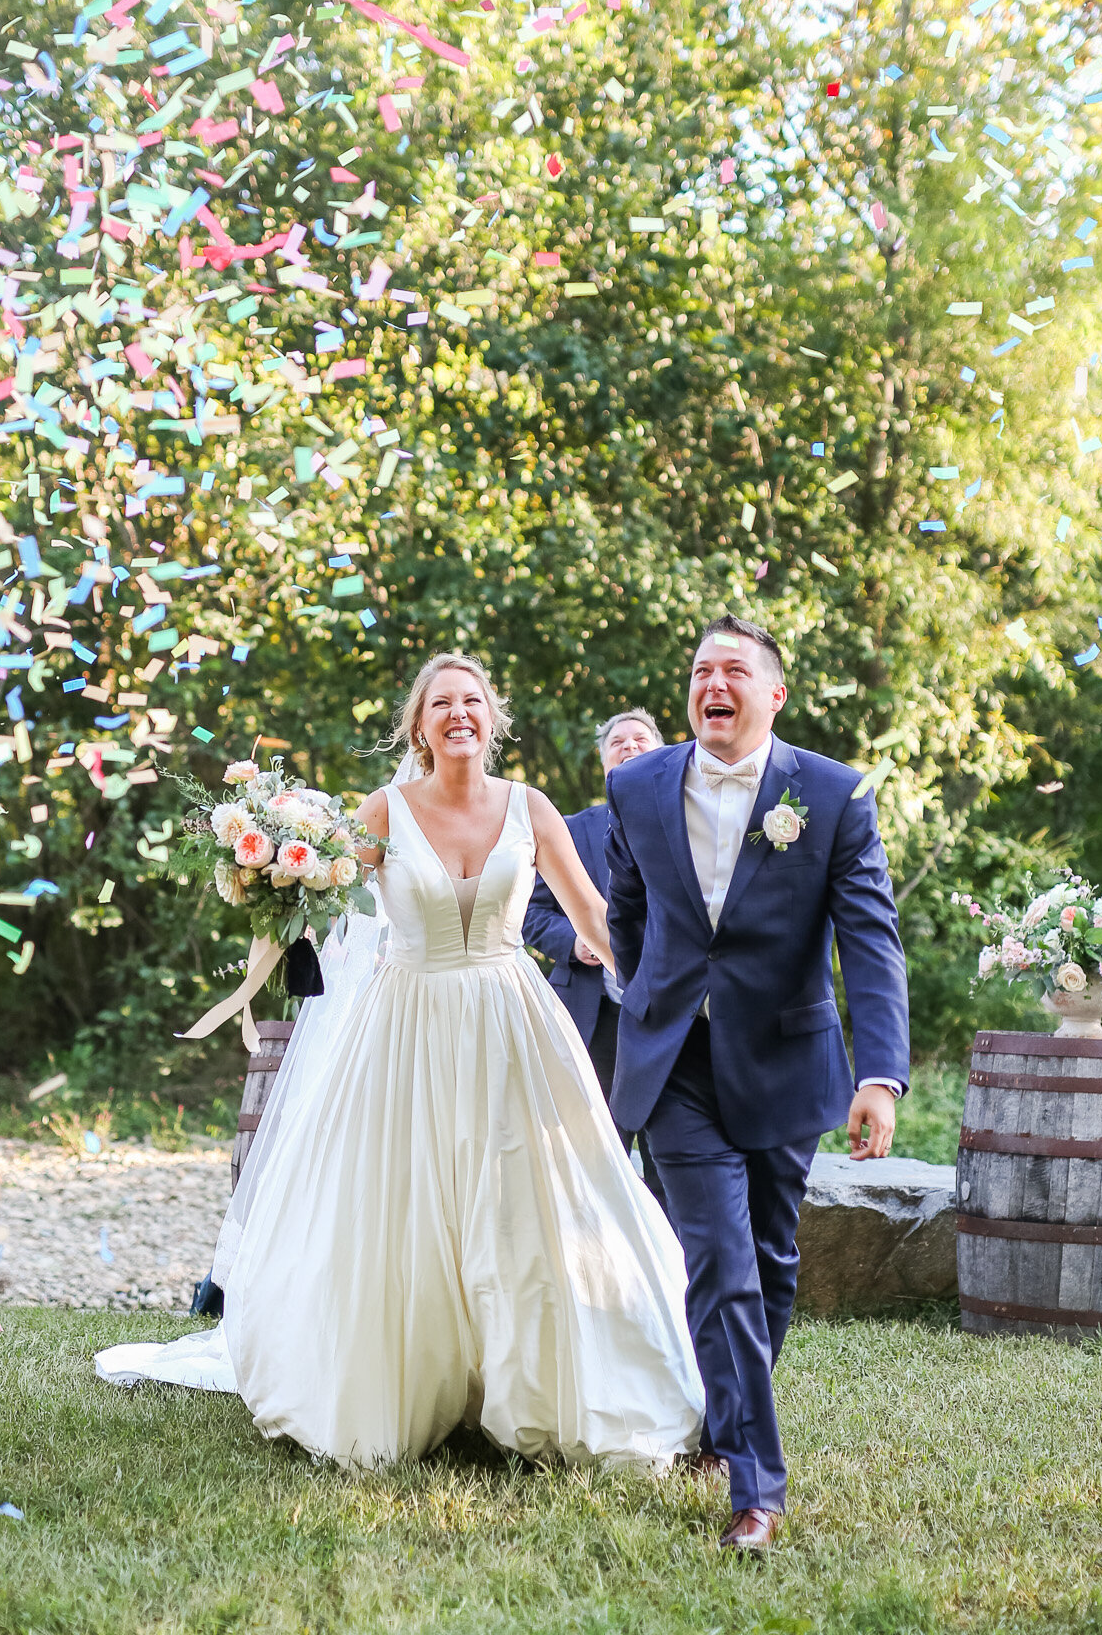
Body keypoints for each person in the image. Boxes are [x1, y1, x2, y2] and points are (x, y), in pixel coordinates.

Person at [102, 652, 703, 1473]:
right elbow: (330, 904)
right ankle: (406, 1384)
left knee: (527, 1203)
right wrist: (282, 875)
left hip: (510, 1023)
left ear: (493, 719)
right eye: (441, 704)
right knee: (403, 1202)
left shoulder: (532, 809)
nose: (459, 714)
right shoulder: (383, 809)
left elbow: (594, 923)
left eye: (472, 701)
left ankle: (531, 1385)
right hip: (406, 1024)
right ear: (418, 727)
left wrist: (670, 991)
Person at [605, 614, 909, 1552]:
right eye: (700, 670)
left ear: (773, 696)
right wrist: (656, 1001)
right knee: (720, 1265)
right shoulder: (637, 786)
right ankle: (757, 1489)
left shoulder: (830, 796)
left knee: (772, 1262)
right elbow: (626, 911)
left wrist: (881, 1077)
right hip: (675, 1068)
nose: (713, 684)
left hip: (783, 1059)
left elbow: (869, 942)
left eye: (733, 670)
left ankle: (719, 1427)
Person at [523, 708, 666, 1207]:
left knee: (669, 1156)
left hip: (671, 1019)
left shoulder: (689, 824)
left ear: (663, 753)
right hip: (593, 1016)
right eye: (617, 742)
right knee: (590, 1152)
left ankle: (674, 1270)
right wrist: (574, 943)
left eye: (640, 740)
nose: (628, 747)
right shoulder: (569, 830)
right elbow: (532, 912)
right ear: (604, 762)